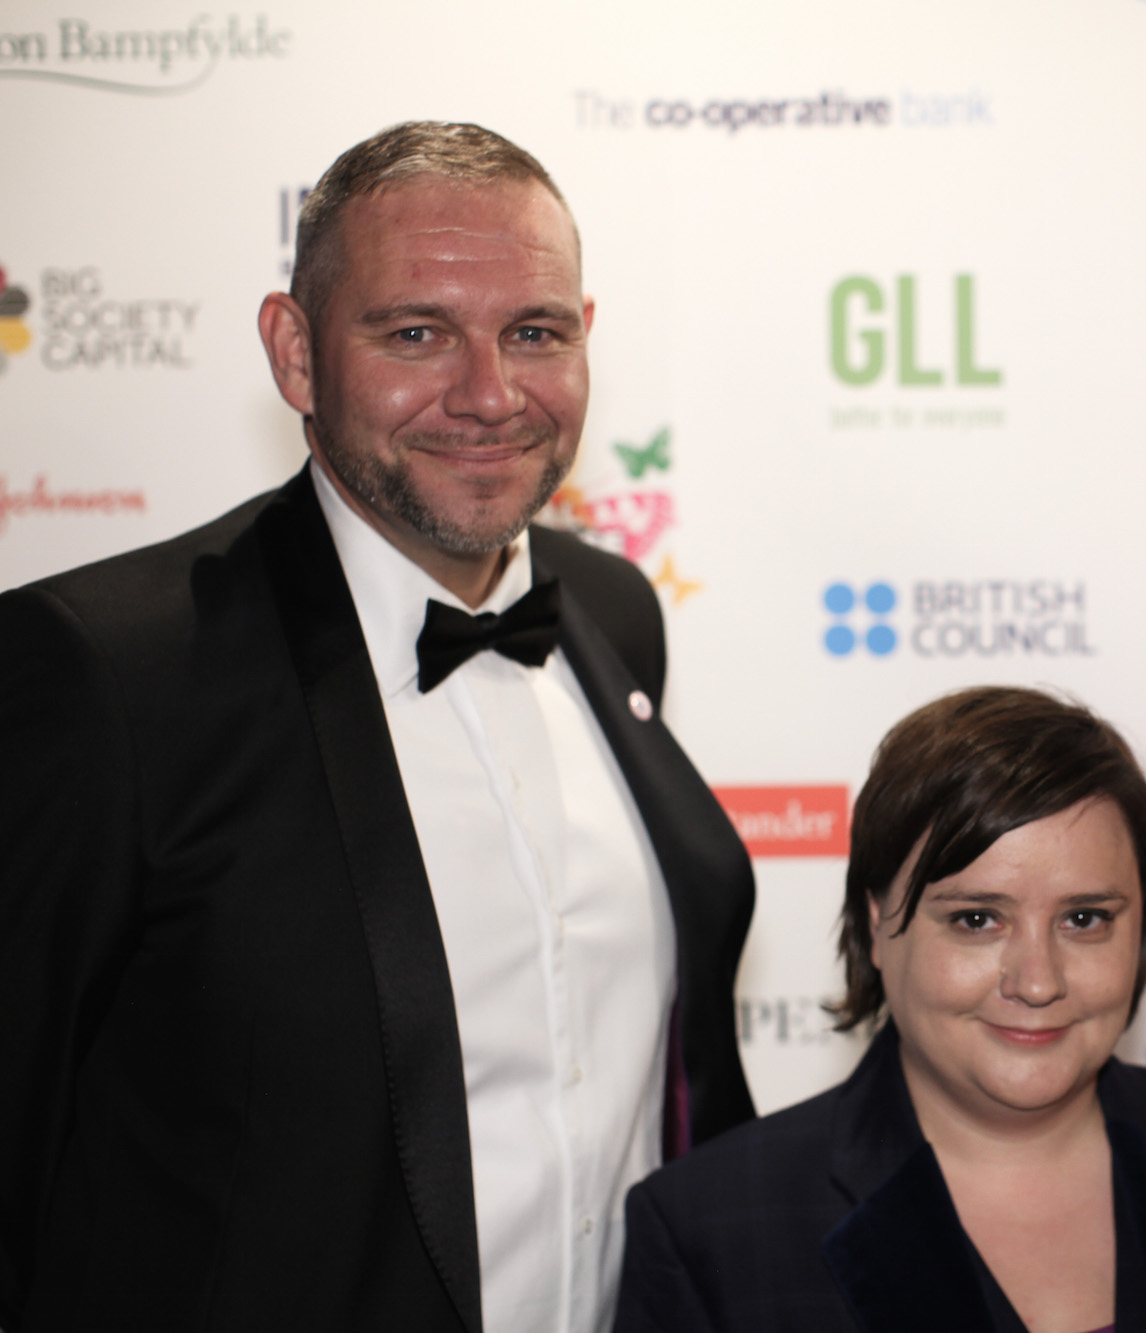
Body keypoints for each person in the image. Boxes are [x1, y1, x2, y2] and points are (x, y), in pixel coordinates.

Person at [0, 121, 756, 1333]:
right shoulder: (102, 674)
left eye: (534, 332)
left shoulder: (612, 611)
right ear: (295, 353)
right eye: (415, 333)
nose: (489, 394)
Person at [614, 686, 1146, 1333]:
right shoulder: (711, 1232)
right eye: (977, 918)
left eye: (1085, 918)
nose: (1037, 978)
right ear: (878, 925)